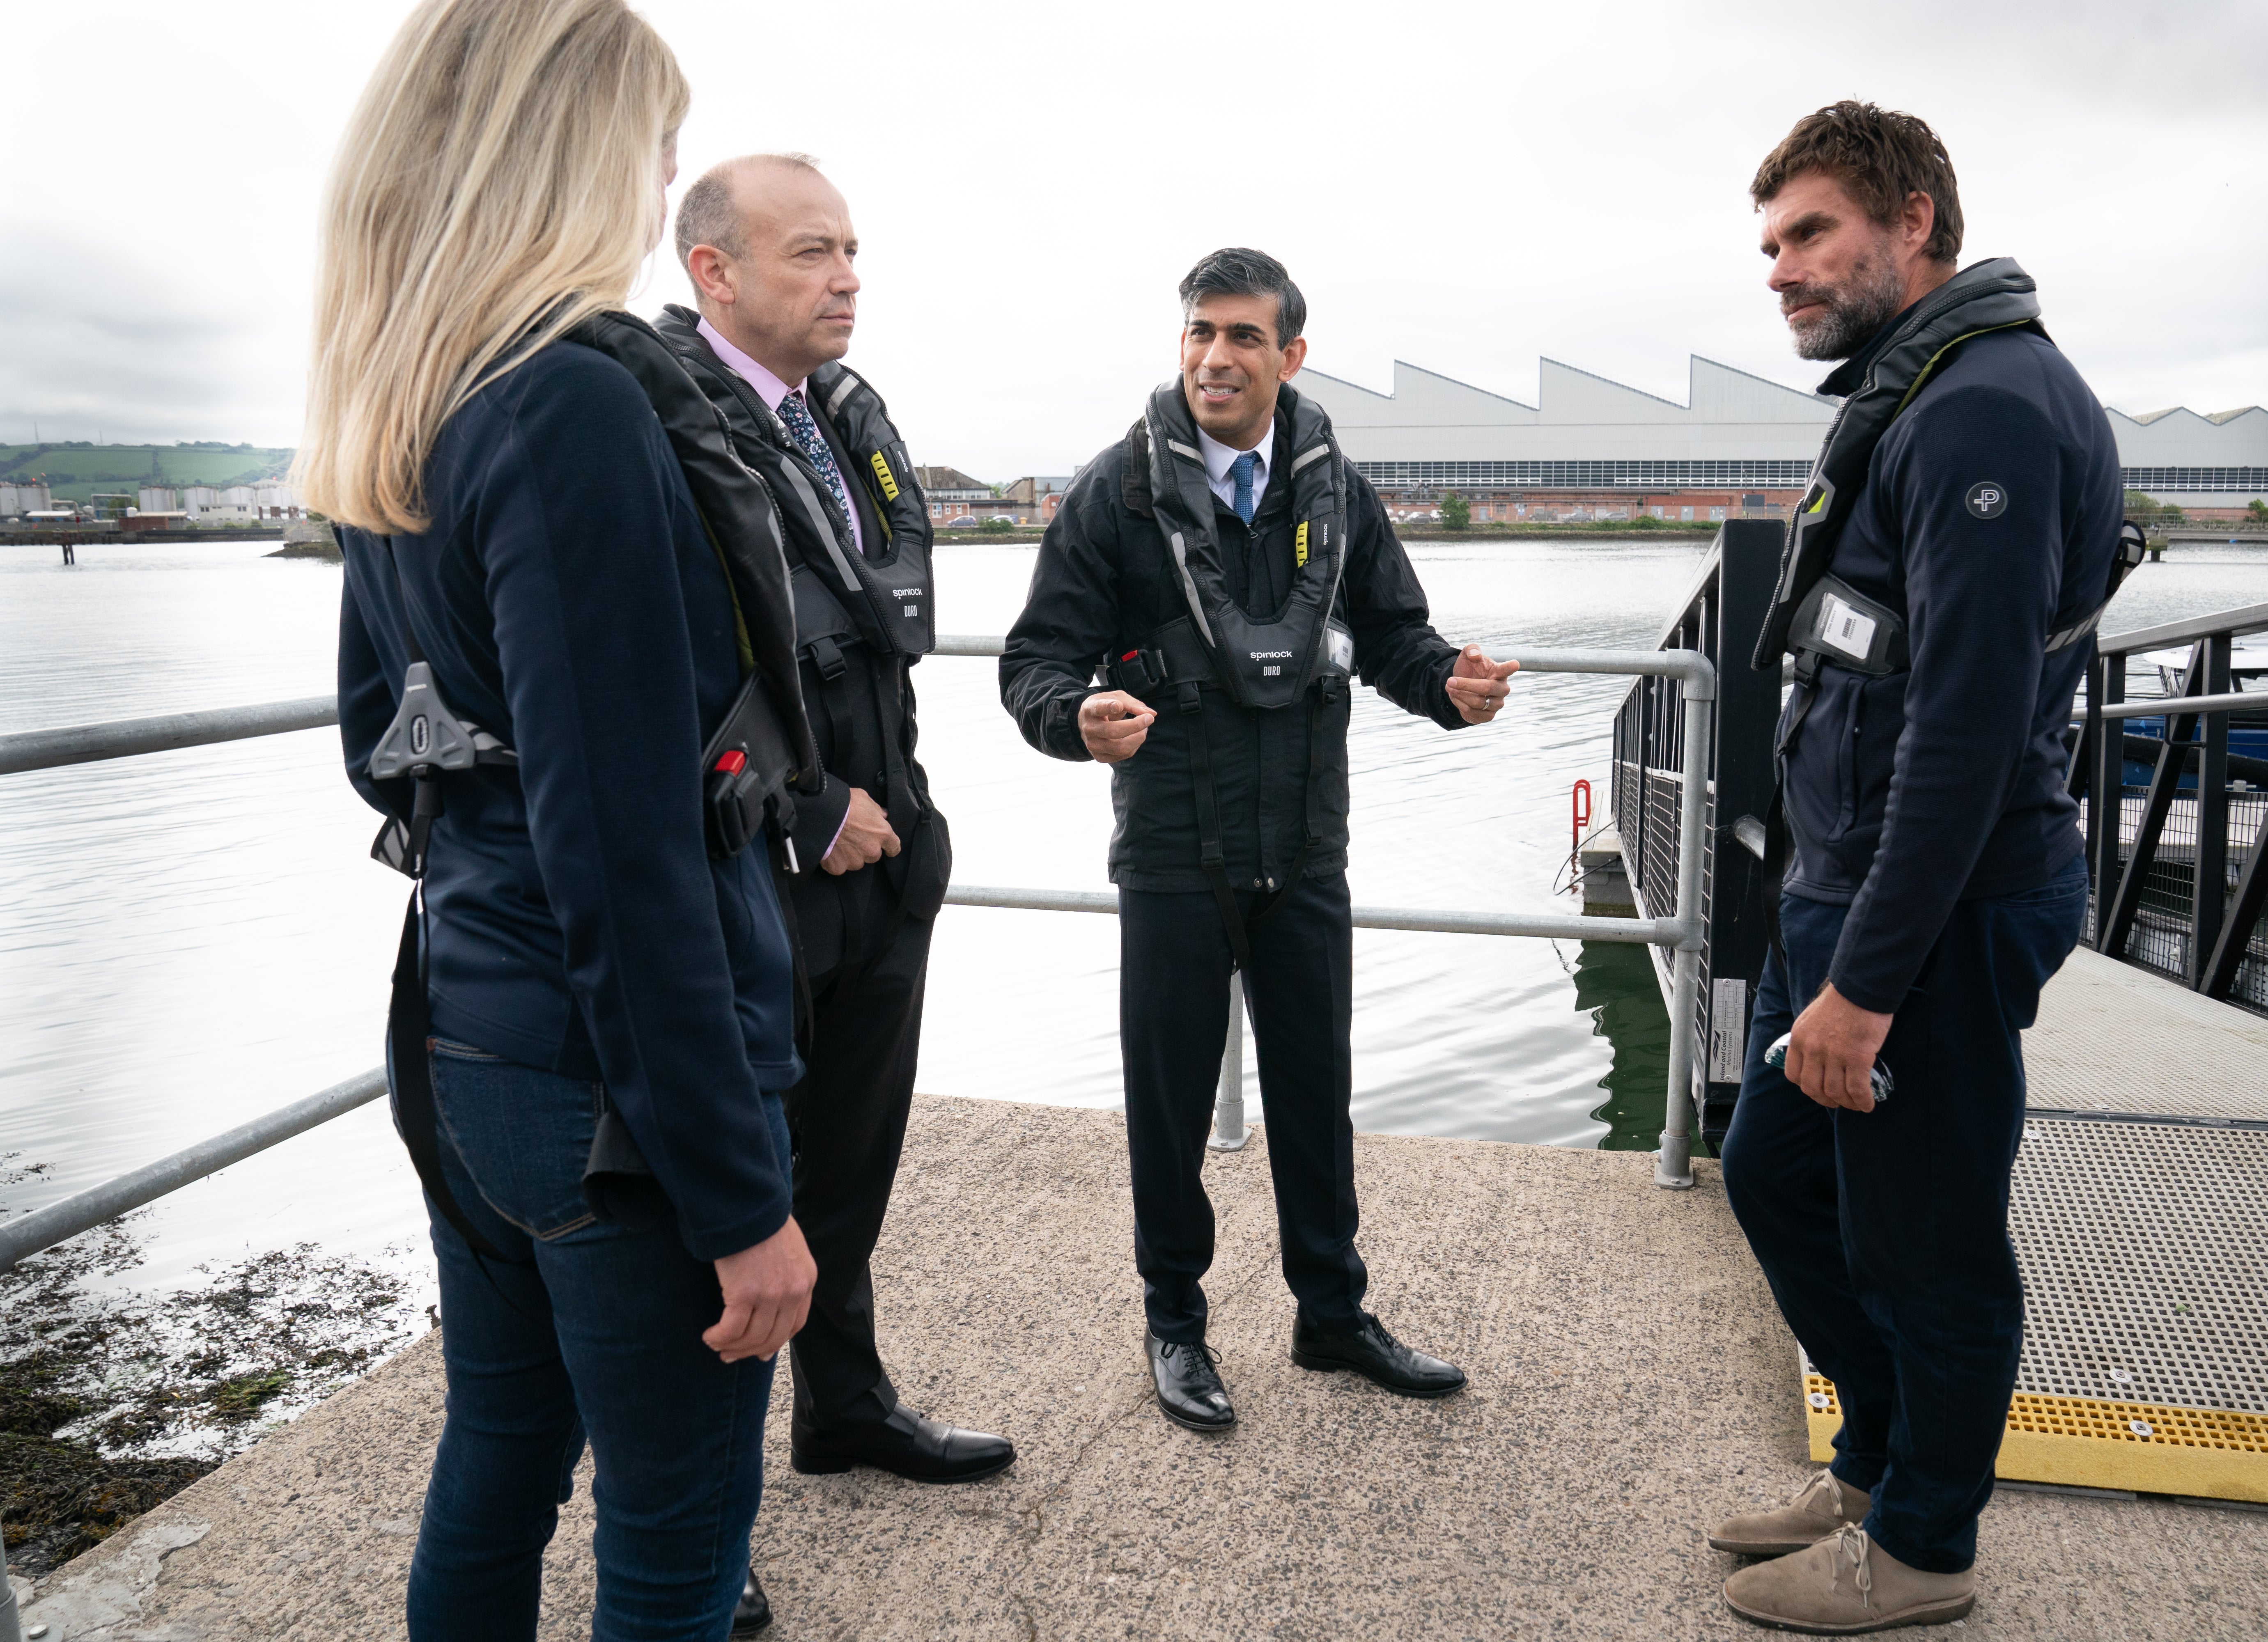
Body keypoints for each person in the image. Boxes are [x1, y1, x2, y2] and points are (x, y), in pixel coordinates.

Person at [307, 4, 815, 1636]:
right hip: (614, 1100)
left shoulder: (404, 400)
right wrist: (742, 1203)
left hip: (467, 1047)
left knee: (501, 1459)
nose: (662, 179)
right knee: (674, 1539)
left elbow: (381, 752)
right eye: (650, 143)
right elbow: (628, 856)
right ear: (566, 148)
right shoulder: (572, 404)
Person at [1709, 103, 2120, 1633]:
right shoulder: (1921, 386)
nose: (1781, 271)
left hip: (1929, 913)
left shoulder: (1987, 410)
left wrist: (1866, 987)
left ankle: (1925, 1545)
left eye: (1811, 233)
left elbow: (1966, 726)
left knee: (1928, 1232)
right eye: (1770, 246)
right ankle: (1881, 1464)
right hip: (1849, 886)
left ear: (1917, 221)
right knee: (1774, 1176)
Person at [1001, 248, 1520, 1432]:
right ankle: (1174, 1326)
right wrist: (1070, 719)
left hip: (1305, 849)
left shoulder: (1334, 489)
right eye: (1197, 334)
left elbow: (1394, 633)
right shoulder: (1115, 494)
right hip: (1175, 854)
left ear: (1291, 354)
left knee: (1314, 1093)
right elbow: (1036, 662)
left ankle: (1331, 1315)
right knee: (1171, 1105)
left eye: (1242, 337)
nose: (1215, 358)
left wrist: (1452, 686)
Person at [662, 154, 1008, 1485]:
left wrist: (904, 827)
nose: (848, 278)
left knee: (854, 1164)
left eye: (851, 249)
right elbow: (669, 677)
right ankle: (703, 1508)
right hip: (758, 868)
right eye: (811, 251)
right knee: (738, 1188)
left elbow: (866, 640)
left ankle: (846, 1406)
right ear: (716, 271)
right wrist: (802, 812)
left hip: (883, 860)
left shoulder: (835, 423)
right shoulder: (660, 425)